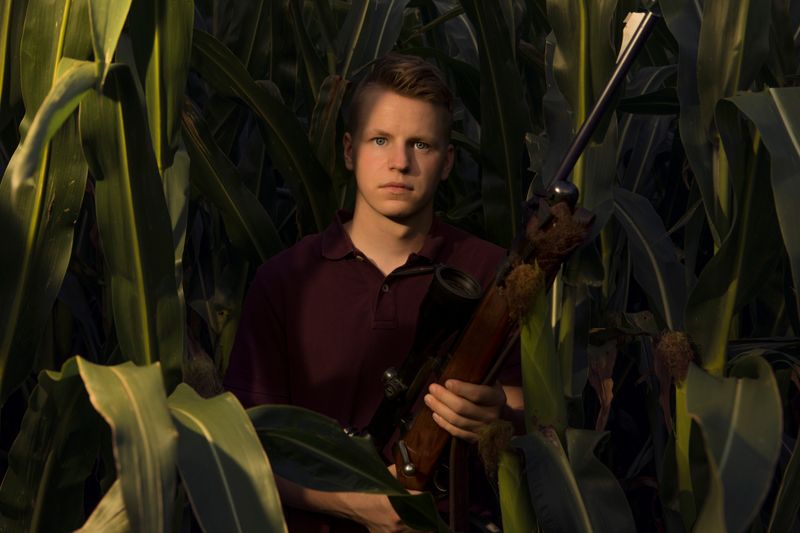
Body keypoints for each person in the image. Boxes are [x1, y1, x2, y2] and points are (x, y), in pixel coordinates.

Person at [225, 53, 523, 532]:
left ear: (447, 162)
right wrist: (356, 505)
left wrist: (498, 414)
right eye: (380, 140)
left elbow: (533, 413)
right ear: (349, 151)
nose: (400, 162)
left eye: (420, 144)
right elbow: (242, 452)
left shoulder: (493, 272)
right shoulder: (285, 280)